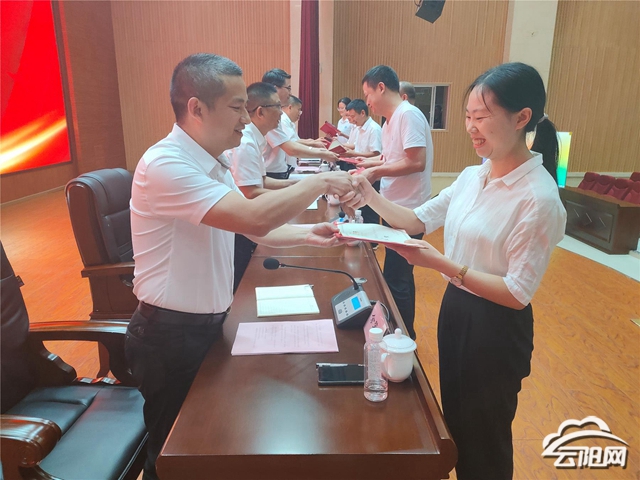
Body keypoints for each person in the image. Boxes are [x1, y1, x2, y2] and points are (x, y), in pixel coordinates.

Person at [125, 53, 359, 480]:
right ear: (196, 108)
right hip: (170, 336)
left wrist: (309, 234)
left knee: (206, 446)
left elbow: (248, 228)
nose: (246, 119)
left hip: (203, 326)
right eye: (237, 107)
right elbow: (253, 217)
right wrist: (322, 180)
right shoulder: (166, 165)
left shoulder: (210, 161)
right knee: (173, 457)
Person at [345, 62, 566, 479]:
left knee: (485, 438)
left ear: (522, 117)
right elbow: (415, 220)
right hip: (457, 310)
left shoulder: (537, 198)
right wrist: (367, 193)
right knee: (457, 427)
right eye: (467, 116)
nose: (471, 127)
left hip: (496, 327)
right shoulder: (471, 177)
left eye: (482, 116)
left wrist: (440, 263)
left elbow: (517, 292)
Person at [357, 65, 433, 340]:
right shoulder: (389, 121)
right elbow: (391, 158)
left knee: (395, 278)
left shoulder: (407, 114)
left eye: (368, 95)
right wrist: (369, 164)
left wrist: (376, 172)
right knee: (400, 275)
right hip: (394, 207)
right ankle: (406, 334)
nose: (367, 102)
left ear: (381, 88)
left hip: (408, 209)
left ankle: (402, 338)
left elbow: (416, 162)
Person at [227, 82, 295, 292]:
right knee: (242, 281)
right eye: (277, 106)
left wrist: (296, 185)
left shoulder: (256, 138)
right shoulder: (246, 143)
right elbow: (250, 193)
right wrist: (296, 194)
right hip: (239, 227)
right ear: (260, 112)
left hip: (247, 218)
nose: (282, 112)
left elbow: (262, 181)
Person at [261, 69, 337, 177]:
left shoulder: (274, 112)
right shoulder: (267, 114)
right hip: (270, 173)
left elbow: (291, 143)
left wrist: (316, 147)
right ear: (275, 88)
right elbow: (290, 148)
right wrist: (322, 153)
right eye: (288, 88)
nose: (290, 93)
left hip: (279, 171)